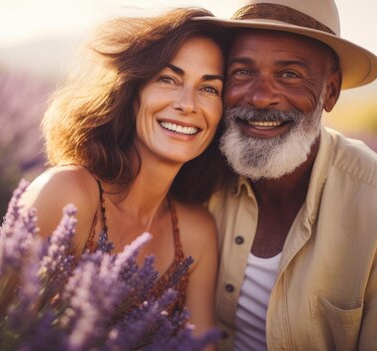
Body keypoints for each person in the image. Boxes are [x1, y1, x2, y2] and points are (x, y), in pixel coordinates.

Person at [196, 0, 377, 349]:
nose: (261, 96)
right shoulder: (195, 174)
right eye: (242, 71)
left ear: (329, 91)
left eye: (289, 74)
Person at [21, 8, 228, 338]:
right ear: (132, 93)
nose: (188, 104)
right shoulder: (68, 195)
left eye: (209, 88)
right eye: (168, 79)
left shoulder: (196, 232)